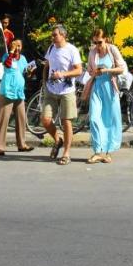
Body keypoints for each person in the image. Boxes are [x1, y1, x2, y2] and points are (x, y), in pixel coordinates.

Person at [41, 23, 82, 165]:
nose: (52, 37)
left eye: (55, 35)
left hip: (67, 91)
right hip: (51, 90)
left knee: (66, 122)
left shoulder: (72, 50)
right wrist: (44, 82)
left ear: (63, 35)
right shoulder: (51, 48)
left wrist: (63, 74)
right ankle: (58, 140)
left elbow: (78, 70)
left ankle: (66, 153)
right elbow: (46, 66)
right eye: (52, 35)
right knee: (45, 120)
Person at [84, 28, 126, 164]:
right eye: (95, 42)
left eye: (99, 42)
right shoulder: (92, 52)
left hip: (110, 86)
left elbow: (121, 68)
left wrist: (106, 70)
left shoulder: (112, 50)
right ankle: (97, 151)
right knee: (94, 118)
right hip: (97, 87)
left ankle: (108, 152)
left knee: (110, 119)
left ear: (106, 39)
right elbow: (89, 70)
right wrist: (94, 72)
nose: (97, 45)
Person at [0, 38, 35, 156]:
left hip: (19, 92)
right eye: (15, 45)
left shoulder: (22, 59)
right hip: (7, 91)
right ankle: (0, 146)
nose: (17, 48)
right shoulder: (6, 56)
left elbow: (25, 73)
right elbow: (7, 65)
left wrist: (30, 72)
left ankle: (22, 144)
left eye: (19, 46)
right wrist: (11, 52)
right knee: (3, 119)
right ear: (11, 46)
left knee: (21, 119)